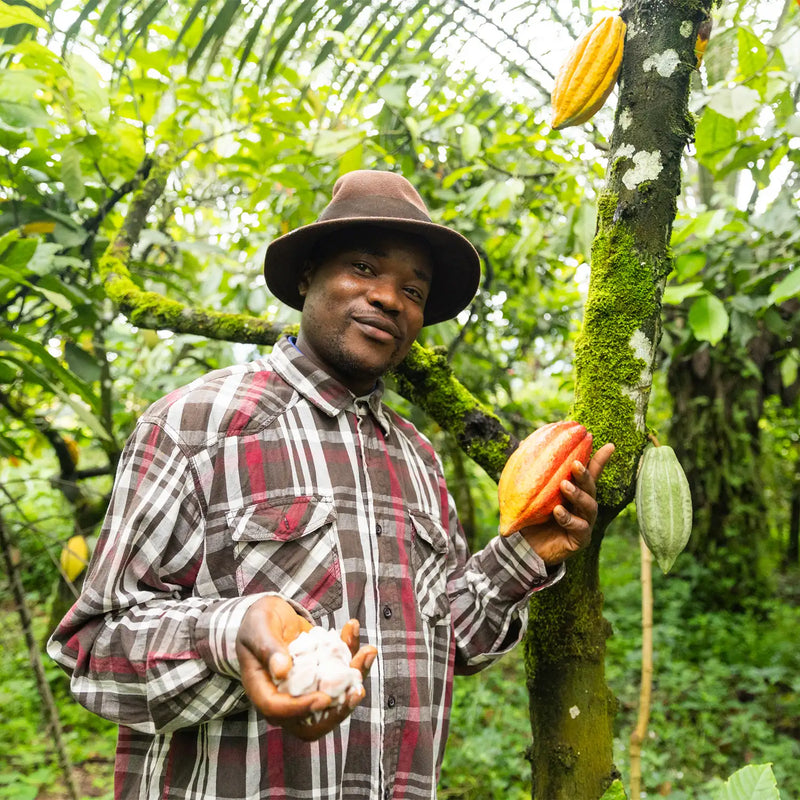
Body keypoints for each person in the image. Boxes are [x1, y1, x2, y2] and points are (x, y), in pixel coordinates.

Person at [48, 170, 615, 800]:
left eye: (413, 290)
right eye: (364, 267)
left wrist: (524, 555)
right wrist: (233, 632)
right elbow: (94, 647)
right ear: (305, 277)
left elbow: (444, 646)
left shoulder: (419, 460)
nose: (389, 299)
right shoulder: (199, 424)